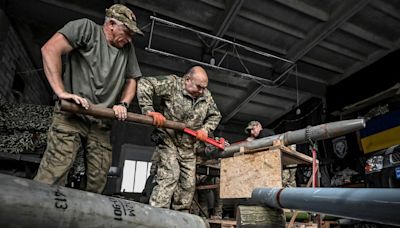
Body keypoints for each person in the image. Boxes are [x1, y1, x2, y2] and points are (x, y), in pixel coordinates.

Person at [34, 4, 143, 194]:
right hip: (72, 115)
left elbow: (132, 79)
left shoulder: (127, 49)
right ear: (110, 24)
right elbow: (50, 49)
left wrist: (123, 104)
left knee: (97, 182)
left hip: (100, 123)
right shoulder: (86, 29)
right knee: (53, 175)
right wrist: (61, 92)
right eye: (126, 32)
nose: (129, 38)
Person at [137, 66, 222, 212]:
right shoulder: (172, 84)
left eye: (204, 87)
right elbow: (145, 83)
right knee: (170, 176)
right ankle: (156, 216)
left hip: (189, 147)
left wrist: (205, 129)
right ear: (187, 79)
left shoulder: (206, 96)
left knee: (188, 185)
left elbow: (216, 115)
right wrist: (149, 110)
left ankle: (180, 218)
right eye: (199, 87)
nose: (202, 91)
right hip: (168, 140)